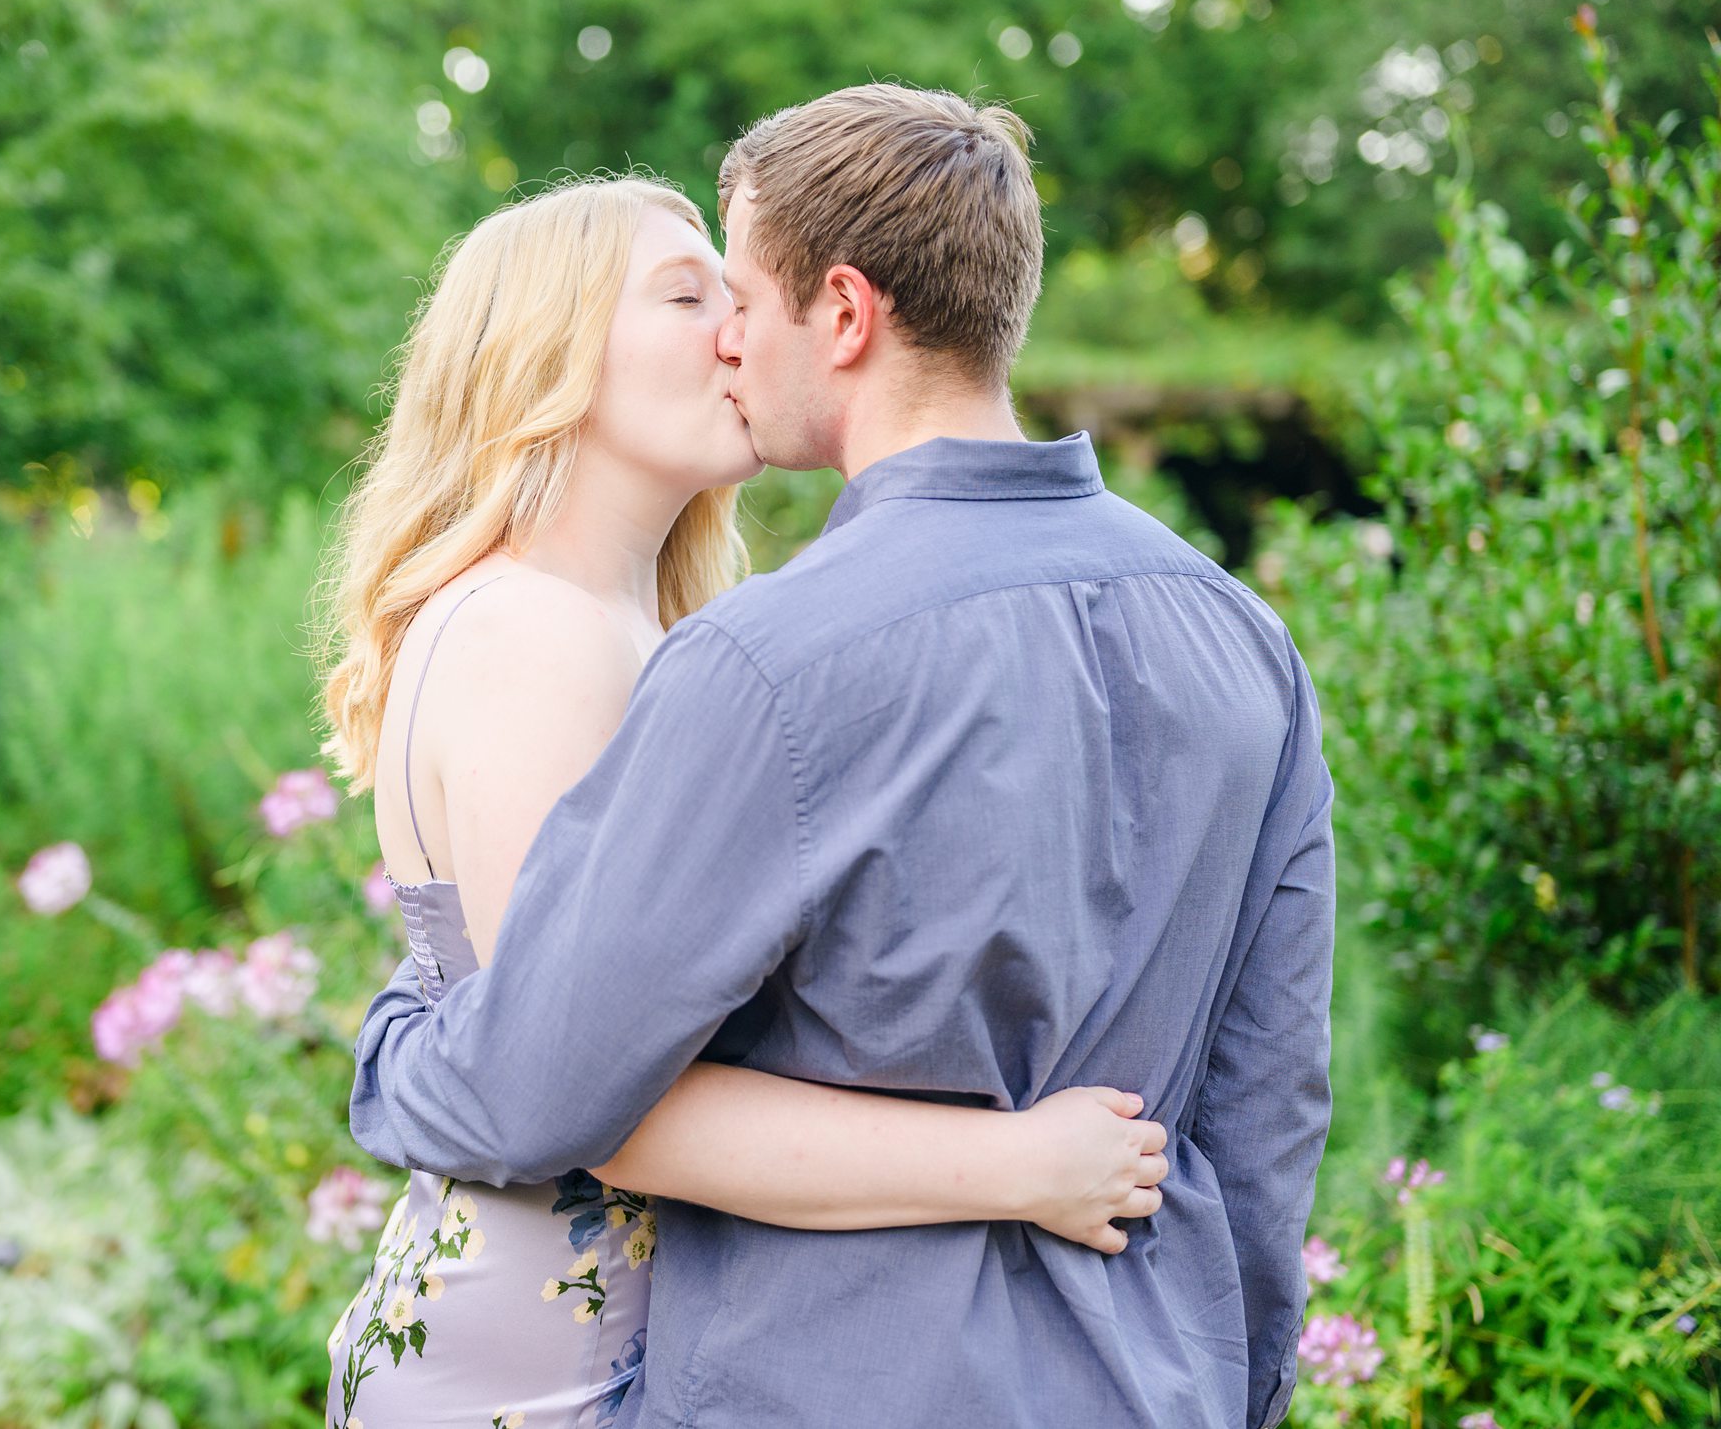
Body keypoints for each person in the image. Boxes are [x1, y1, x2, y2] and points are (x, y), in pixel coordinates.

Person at [347, 86, 1336, 1429]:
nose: (731, 341)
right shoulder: (1247, 641)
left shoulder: (766, 660)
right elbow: (1267, 1095)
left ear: (850, 314)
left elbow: (540, 1082)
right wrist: (1239, 1380)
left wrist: (398, 1043)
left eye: (735, 296)